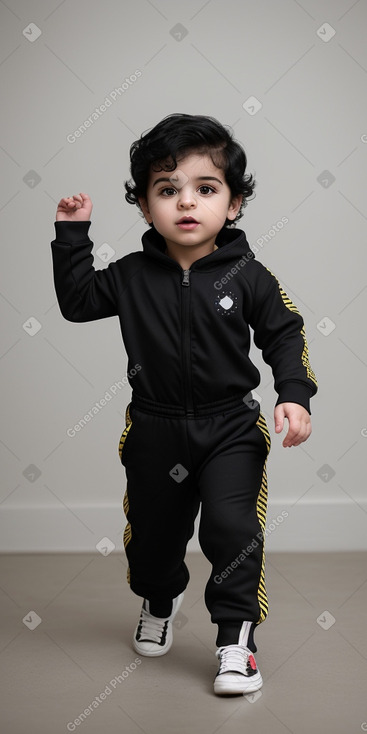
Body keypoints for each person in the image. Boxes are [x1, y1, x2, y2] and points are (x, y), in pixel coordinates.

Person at [51, 113, 318, 697]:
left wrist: (293, 396)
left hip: (231, 429)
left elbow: (285, 333)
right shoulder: (129, 276)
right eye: (167, 190)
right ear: (146, 208)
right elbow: (75, 302)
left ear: (235, 204)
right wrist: (72, 234)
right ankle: (158, 598)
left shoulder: (250, 275)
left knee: (232, 527)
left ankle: (236, 641)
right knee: (154, 535)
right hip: (155, 430)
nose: (186, 203)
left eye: (206, 188)